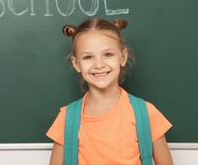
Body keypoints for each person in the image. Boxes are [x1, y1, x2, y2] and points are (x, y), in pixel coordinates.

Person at [46, 18, 173, 165]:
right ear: (76, 64)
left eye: (108, 55)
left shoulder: (146, 113)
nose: (99, 64)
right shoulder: (67, 118)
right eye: (88, 57)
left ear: (123, 57)